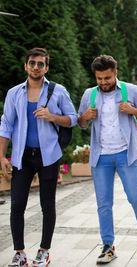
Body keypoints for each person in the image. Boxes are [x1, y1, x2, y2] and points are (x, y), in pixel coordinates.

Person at [0, 48, 78, 267]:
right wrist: (2, 156)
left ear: (47, 67)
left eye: (40, 64)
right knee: (16, 204)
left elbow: (72, 119)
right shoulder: (14, 93)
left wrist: (51, 116)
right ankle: (19, 253)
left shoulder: (58, 91)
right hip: (22, 156)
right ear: (26, 66)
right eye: (32, 63)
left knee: (47, 204)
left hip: (49, 156)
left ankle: (44, 251)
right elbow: (6, 124)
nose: (36, 67)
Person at [77, 55, 137, 264]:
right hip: (101, 156)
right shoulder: (89, 94)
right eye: (99, 78)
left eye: (107, 78)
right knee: (104, 203)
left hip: (126, 153)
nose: (103, 82)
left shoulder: (131, 90)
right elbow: (80, 123)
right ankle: (108, 246)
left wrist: (133, 110)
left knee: (136, 197)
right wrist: (85, 116)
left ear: (115, 74)